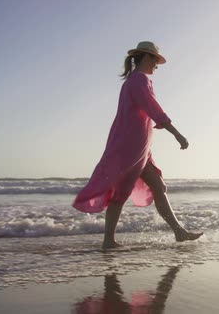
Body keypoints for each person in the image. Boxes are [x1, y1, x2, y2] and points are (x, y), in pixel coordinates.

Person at [72, 41, 202, 249]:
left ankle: (179, 232)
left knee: (158, 186)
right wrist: (177, 135)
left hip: (140, 147)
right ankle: (108, 241)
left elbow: (145, 111)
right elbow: (154, 109)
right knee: (120, 193)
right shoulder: (138, 81)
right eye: (156, 60)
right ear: (147, 57)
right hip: (129, 148)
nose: (157, 65)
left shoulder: (138, 81)